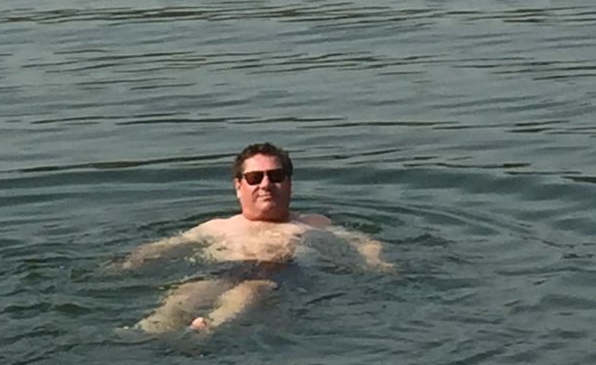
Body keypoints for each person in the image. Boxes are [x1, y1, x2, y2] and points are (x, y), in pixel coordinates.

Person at [119, 142, 393, 334]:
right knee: (187, 293)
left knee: (250, 292)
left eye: (275, 176)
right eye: (254, 177)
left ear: (289, 183)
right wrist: (132, 262)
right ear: (238, 186)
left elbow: (361, 242)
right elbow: (169, 245)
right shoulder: (218, 227)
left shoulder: (312, 223)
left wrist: (377, 262)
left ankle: (208, 328)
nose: (265, 184)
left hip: (281, 274)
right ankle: (146, 332)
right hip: (225, 269)